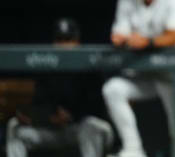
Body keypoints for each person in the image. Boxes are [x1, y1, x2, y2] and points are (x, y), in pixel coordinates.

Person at [102, 0, 175, 157]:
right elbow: (119, 35)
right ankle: (133, 149)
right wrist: (126, 40)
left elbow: (173, 36)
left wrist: (147, 42)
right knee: (113, 90)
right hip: (146, 73)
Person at [6, 18, 114, 157]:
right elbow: (39, 104)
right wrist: (44, 117)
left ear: (77, 41)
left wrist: (72, 116)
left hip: (83, 129)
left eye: (68, 40)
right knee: (15, 127)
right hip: (55, 132)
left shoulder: (89, 67)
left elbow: (98, 108)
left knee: (90, 125)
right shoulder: (48, 68)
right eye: (60, 40)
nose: (64, 45)